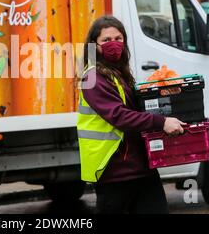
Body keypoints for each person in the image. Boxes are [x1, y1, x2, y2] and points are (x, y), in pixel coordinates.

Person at [76, 16, 186, 214]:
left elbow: (135, 109)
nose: (114, 44)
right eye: (106, 40)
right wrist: (161, 122)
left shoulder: (118, 73)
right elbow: (119, 116)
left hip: (140, 167)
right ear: (94, 45)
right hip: (115, 172)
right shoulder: (91, 77)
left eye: (118, 39)